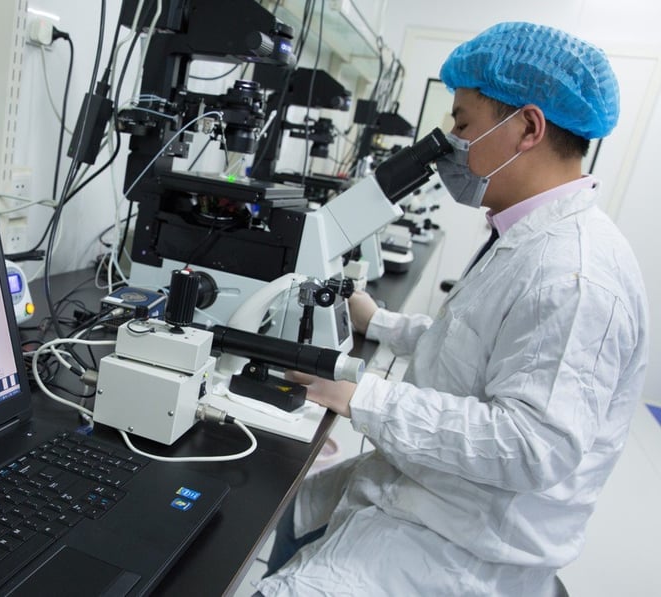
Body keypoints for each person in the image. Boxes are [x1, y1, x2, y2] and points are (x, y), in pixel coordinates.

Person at [255, 21, 649, 596]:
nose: (450, 142)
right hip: (430, 486)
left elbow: (529, 446)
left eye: (462, 124)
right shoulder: (531, 233)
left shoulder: (575, 273)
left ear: (528, 128)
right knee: (289, 507)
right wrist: (378, 321)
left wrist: (361, 395)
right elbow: (474, 340)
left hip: (466, 541)